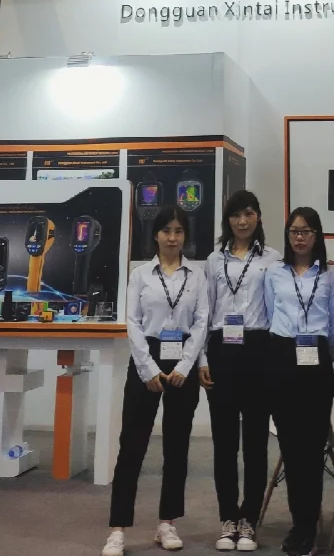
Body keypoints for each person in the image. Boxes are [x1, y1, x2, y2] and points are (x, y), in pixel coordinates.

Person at [105, 205, 210, 556]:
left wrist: (186, 365)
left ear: (185, 236)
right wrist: (147, 369)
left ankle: (167, 522)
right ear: (156, 234)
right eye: (167, 231)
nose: (172, 237)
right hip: (146, 357)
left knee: (176, 447)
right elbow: (132, 322)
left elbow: (202, 322)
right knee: (131, 446)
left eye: (179, 231)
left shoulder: (197, 276)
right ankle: (118, 528)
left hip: (182, 360)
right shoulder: (140, 275)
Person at [202, 191, 280, 552]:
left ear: (258, 217)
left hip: (259, 349)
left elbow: (278, 309)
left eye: (249, 214)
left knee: (255, 442)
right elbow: (205, 312)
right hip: (222, 349)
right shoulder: (213, 260)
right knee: (224, 442)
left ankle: (249, 519)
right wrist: (202, 359)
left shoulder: (273, 259)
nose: (242, 221)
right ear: (228, 219)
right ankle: (227, 517)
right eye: (236, 215)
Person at [263, 207, 334, 556]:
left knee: (312, 451)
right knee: (292, 450)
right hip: (282, 358)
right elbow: (270, 313)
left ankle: (309, 528)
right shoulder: (274, 273)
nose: (299, 237)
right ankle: (299, 523)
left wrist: (330, 358)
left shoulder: (330, 274)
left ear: (317, 235)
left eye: (306, 231)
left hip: (317, 362)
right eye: (294, 231)